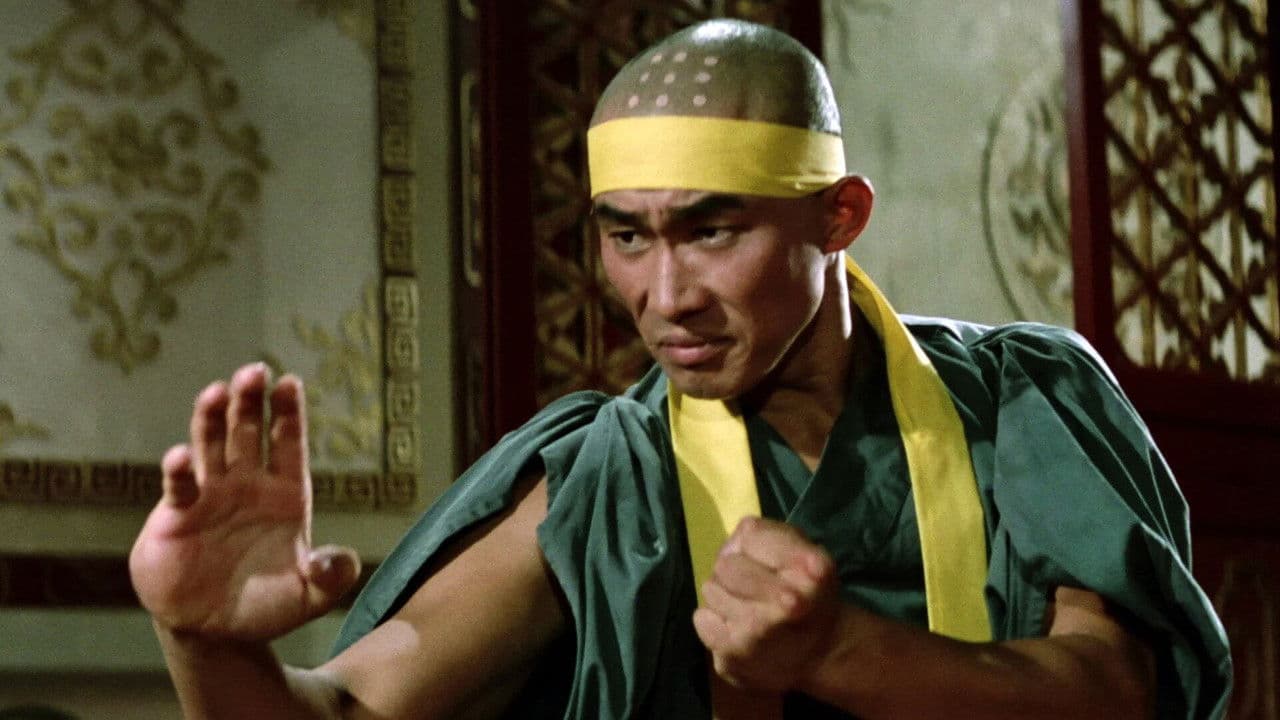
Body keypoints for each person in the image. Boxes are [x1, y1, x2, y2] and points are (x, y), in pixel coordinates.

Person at [128, 18, 1232, 720]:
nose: (665, 296)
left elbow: (1115, 691)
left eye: (710, 231)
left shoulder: (1024, 398)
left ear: (838, 216)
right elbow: (346, 712)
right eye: (626, 237)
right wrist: (204, 643)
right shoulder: (610, 474)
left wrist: (839, 650)